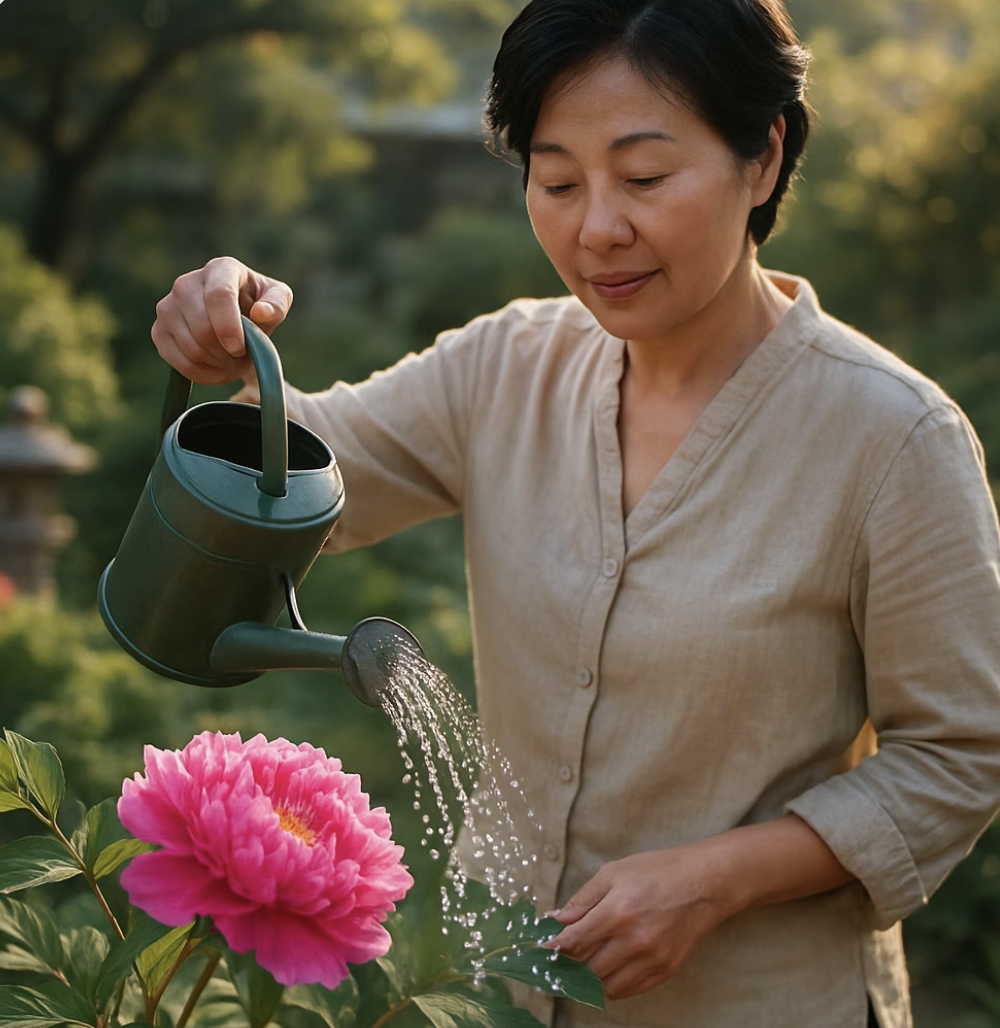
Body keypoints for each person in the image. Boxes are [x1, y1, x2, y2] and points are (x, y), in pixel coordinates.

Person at [149, 1, 1000, 1026]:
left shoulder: (891, 436)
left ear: (763, 156)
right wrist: (226, 347)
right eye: (555, 181)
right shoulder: (507, 365)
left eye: (643, 178)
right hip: (489, 994)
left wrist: (717, 876)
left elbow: (962, 749)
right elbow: (296, 478)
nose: (596, 226)